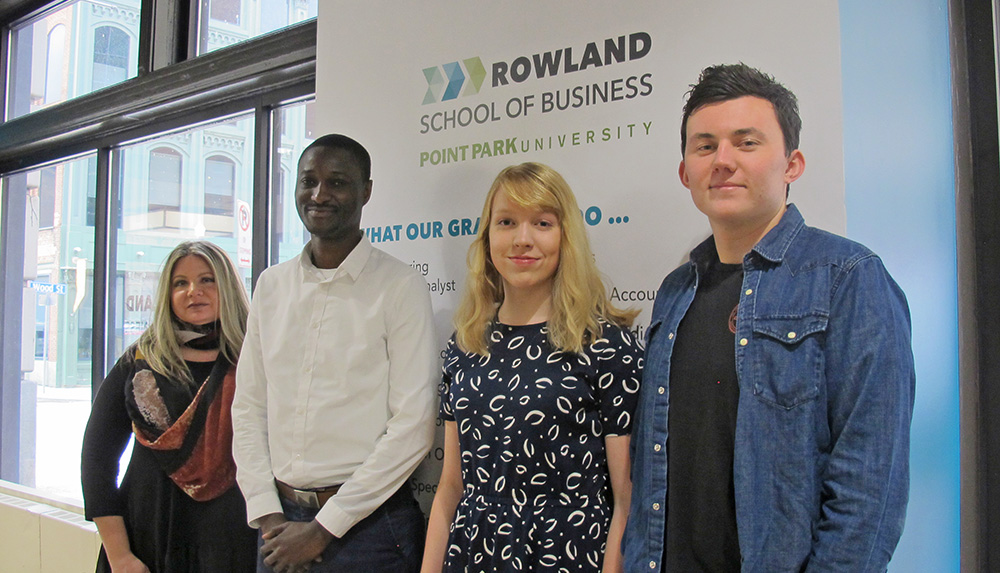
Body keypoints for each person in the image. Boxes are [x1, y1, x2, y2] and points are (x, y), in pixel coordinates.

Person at [623, 63, 916, 572]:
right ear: (684, 171)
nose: (723, 161)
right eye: (705, 145)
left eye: (747, 142)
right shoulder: (676, 290)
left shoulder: (849, 278)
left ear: (792, 163)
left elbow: (870, 486)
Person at [422, 162, 643, 573]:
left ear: (566, 236)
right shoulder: (465, 344)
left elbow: (627, 500)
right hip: (474, 557)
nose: (522, 240)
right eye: (506, 222)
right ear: (488, 236)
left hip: (568, 556)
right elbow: (451, 488)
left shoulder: (605, 345)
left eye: (542, 223)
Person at [232, 133, 437, 573]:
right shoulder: (272, 285)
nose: (319, 195)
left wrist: (325, 527)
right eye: (308, 181)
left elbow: (414, 426)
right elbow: (248, 409)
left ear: (366, 190)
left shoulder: (399, 286)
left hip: (369, 529)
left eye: (337, 182)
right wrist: (269, 517)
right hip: (279, 526)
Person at [81, 240, 255, 572]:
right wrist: (120, 556)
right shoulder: (140, 362)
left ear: (228, 286)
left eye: (207, 279)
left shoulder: (255, 359)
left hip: (235, 538)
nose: (194, 291)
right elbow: (97, 460)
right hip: (148, 538)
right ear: (167, 294)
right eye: (181, 283)